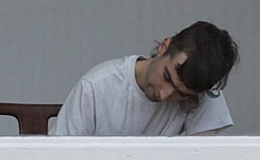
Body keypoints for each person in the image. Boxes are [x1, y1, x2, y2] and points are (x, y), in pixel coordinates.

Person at [48, 21, 239, 136]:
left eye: (181, 94)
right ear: (164, 47)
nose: (165, 94)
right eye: (167, 77)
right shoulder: (95, 87)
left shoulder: (201, 92)